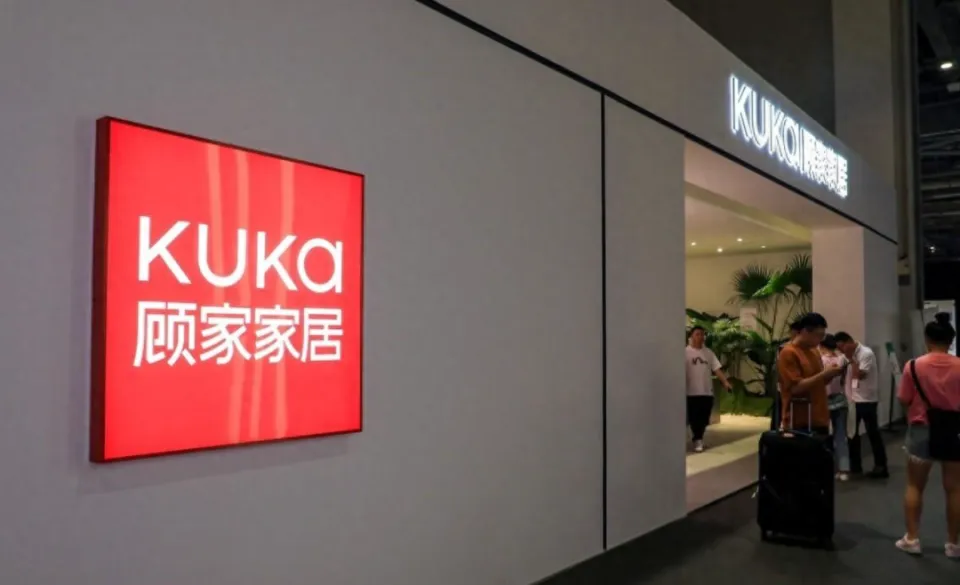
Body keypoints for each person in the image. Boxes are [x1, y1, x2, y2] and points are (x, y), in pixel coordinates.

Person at [894, 313, 960, 558]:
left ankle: (912, 539)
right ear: (951, 341)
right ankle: (953, 544)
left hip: (921, 428)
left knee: (914, 486)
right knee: (955, 489)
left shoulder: (913, 366)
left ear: (927, 339)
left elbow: (904, 398)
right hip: (954, 431)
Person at [777, 313, 843, 433]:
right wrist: (823, 374)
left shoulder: (814, 351)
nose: (821, 340)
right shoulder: (789, 353)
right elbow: (795, 388)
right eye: (819, 335)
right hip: (800, 420)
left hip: (820, 417)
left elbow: (819, 382)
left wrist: (830, 374)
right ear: (805, 331)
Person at [835, 332, 889, 478]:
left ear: (849, 342)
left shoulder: (866, 353)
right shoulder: (844, 356)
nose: (841, 351)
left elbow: (859, 375)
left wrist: (851, 360)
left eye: (842, 347)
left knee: (872, 433)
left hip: (867, 400)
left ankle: (881, 466)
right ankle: (855, 466)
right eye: (839, 349)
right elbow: (837, 370)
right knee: (852, 434)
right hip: (852, 399)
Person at [686, 326, 733, 453]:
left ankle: (698, 437)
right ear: (691, 336)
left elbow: (716, 369)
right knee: (694, 418)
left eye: (702, 334)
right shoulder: (685, 353)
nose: (701, 337)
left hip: (707, 391)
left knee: (704, 418)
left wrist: (725, 382)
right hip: (691, 392)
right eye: (697, 334)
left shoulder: (708, 353)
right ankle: (698, 439)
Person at [819, 334, 851, 481]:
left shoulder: (821, 360)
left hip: (824, 401)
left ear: (822, 345)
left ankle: (825, 468)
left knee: (823, 436)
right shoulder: (842, 359)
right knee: (841, 436)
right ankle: (844, 469)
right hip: (840, 399)